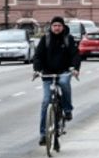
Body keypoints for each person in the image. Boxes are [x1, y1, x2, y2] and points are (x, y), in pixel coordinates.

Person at [32, 16, 81, 145]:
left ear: (63, 27)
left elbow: (75, 55)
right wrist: (37, 70)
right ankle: (43, 134)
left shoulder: (68, 39)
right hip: (48, 73)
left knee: (64, 83)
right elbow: (38, 56)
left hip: (64, 71)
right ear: (51, 27)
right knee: (46, 101)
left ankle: (67, 109)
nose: (57, 28)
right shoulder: (45, 39)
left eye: (59, 25)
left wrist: (75, 68)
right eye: (54, 26)